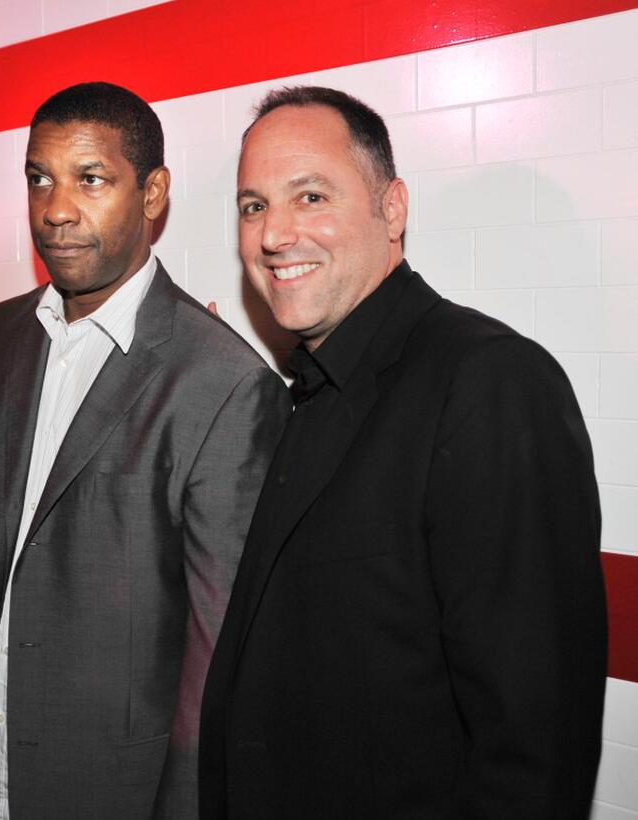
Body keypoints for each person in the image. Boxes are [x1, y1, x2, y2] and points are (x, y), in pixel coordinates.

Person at [0, 81, 291, 820]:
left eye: (91, 179)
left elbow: (220, 659)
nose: (56, 208)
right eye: (39, 178)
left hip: (109, 793)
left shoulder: (222, 382)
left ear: (153, 193)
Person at [199, 86, 607, 819]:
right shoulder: (312, 388)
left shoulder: (490, 382)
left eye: (312, 195)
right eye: (253, 205)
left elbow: (533, 750)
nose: (273, 234)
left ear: (392, 210)